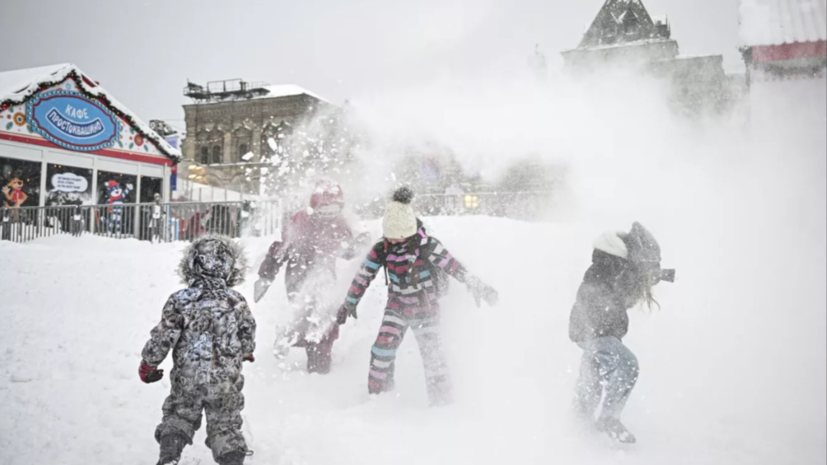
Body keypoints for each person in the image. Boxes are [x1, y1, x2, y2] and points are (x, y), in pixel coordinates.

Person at [339, 188, 498, 406]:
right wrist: (350, 301)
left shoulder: (427, 246)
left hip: (426, 309)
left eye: (397, 237)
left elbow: (453, 266)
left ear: (408, 231)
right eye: (389, 236)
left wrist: (476, 285)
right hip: (396, 307)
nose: (392, 241)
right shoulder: (382, 248)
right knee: (381, 350)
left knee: (434, 358)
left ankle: (442, 405)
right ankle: (379, 400)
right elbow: (363, 274)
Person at [139, 235, 256, 465]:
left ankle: (170, 457)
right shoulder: (236, 301)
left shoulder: (181, 300)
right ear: (229, 266)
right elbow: (247, 332)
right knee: (225, 424)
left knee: (179, 416)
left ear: (192, 264)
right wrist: (245, 350)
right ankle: (231, 460)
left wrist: (148, 363)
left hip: (188, 378)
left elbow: (164, 335)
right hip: (224, 380)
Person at [568, 222, 675, 444]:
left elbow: (624, 294)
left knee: (591, 380)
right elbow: (615, 284)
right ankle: (609, 418)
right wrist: (642, 274)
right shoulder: (607, 265)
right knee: (627, 364)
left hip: (593, 332)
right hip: (595, 332)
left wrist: (646, 275)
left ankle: (577, 432)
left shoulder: (614, 267)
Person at [256, 179, 369, 374]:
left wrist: (357, 245)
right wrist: (266, 275)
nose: (328, 216)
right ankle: (287, 335)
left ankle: (319, 368)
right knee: (305, 318)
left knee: (324, 322)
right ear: (314, 206)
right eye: (324, 210)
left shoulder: (340, 224)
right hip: (298, 278)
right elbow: (280, 250)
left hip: (326, 276)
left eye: (334, 210)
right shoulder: (299, 221)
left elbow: (345, 251)